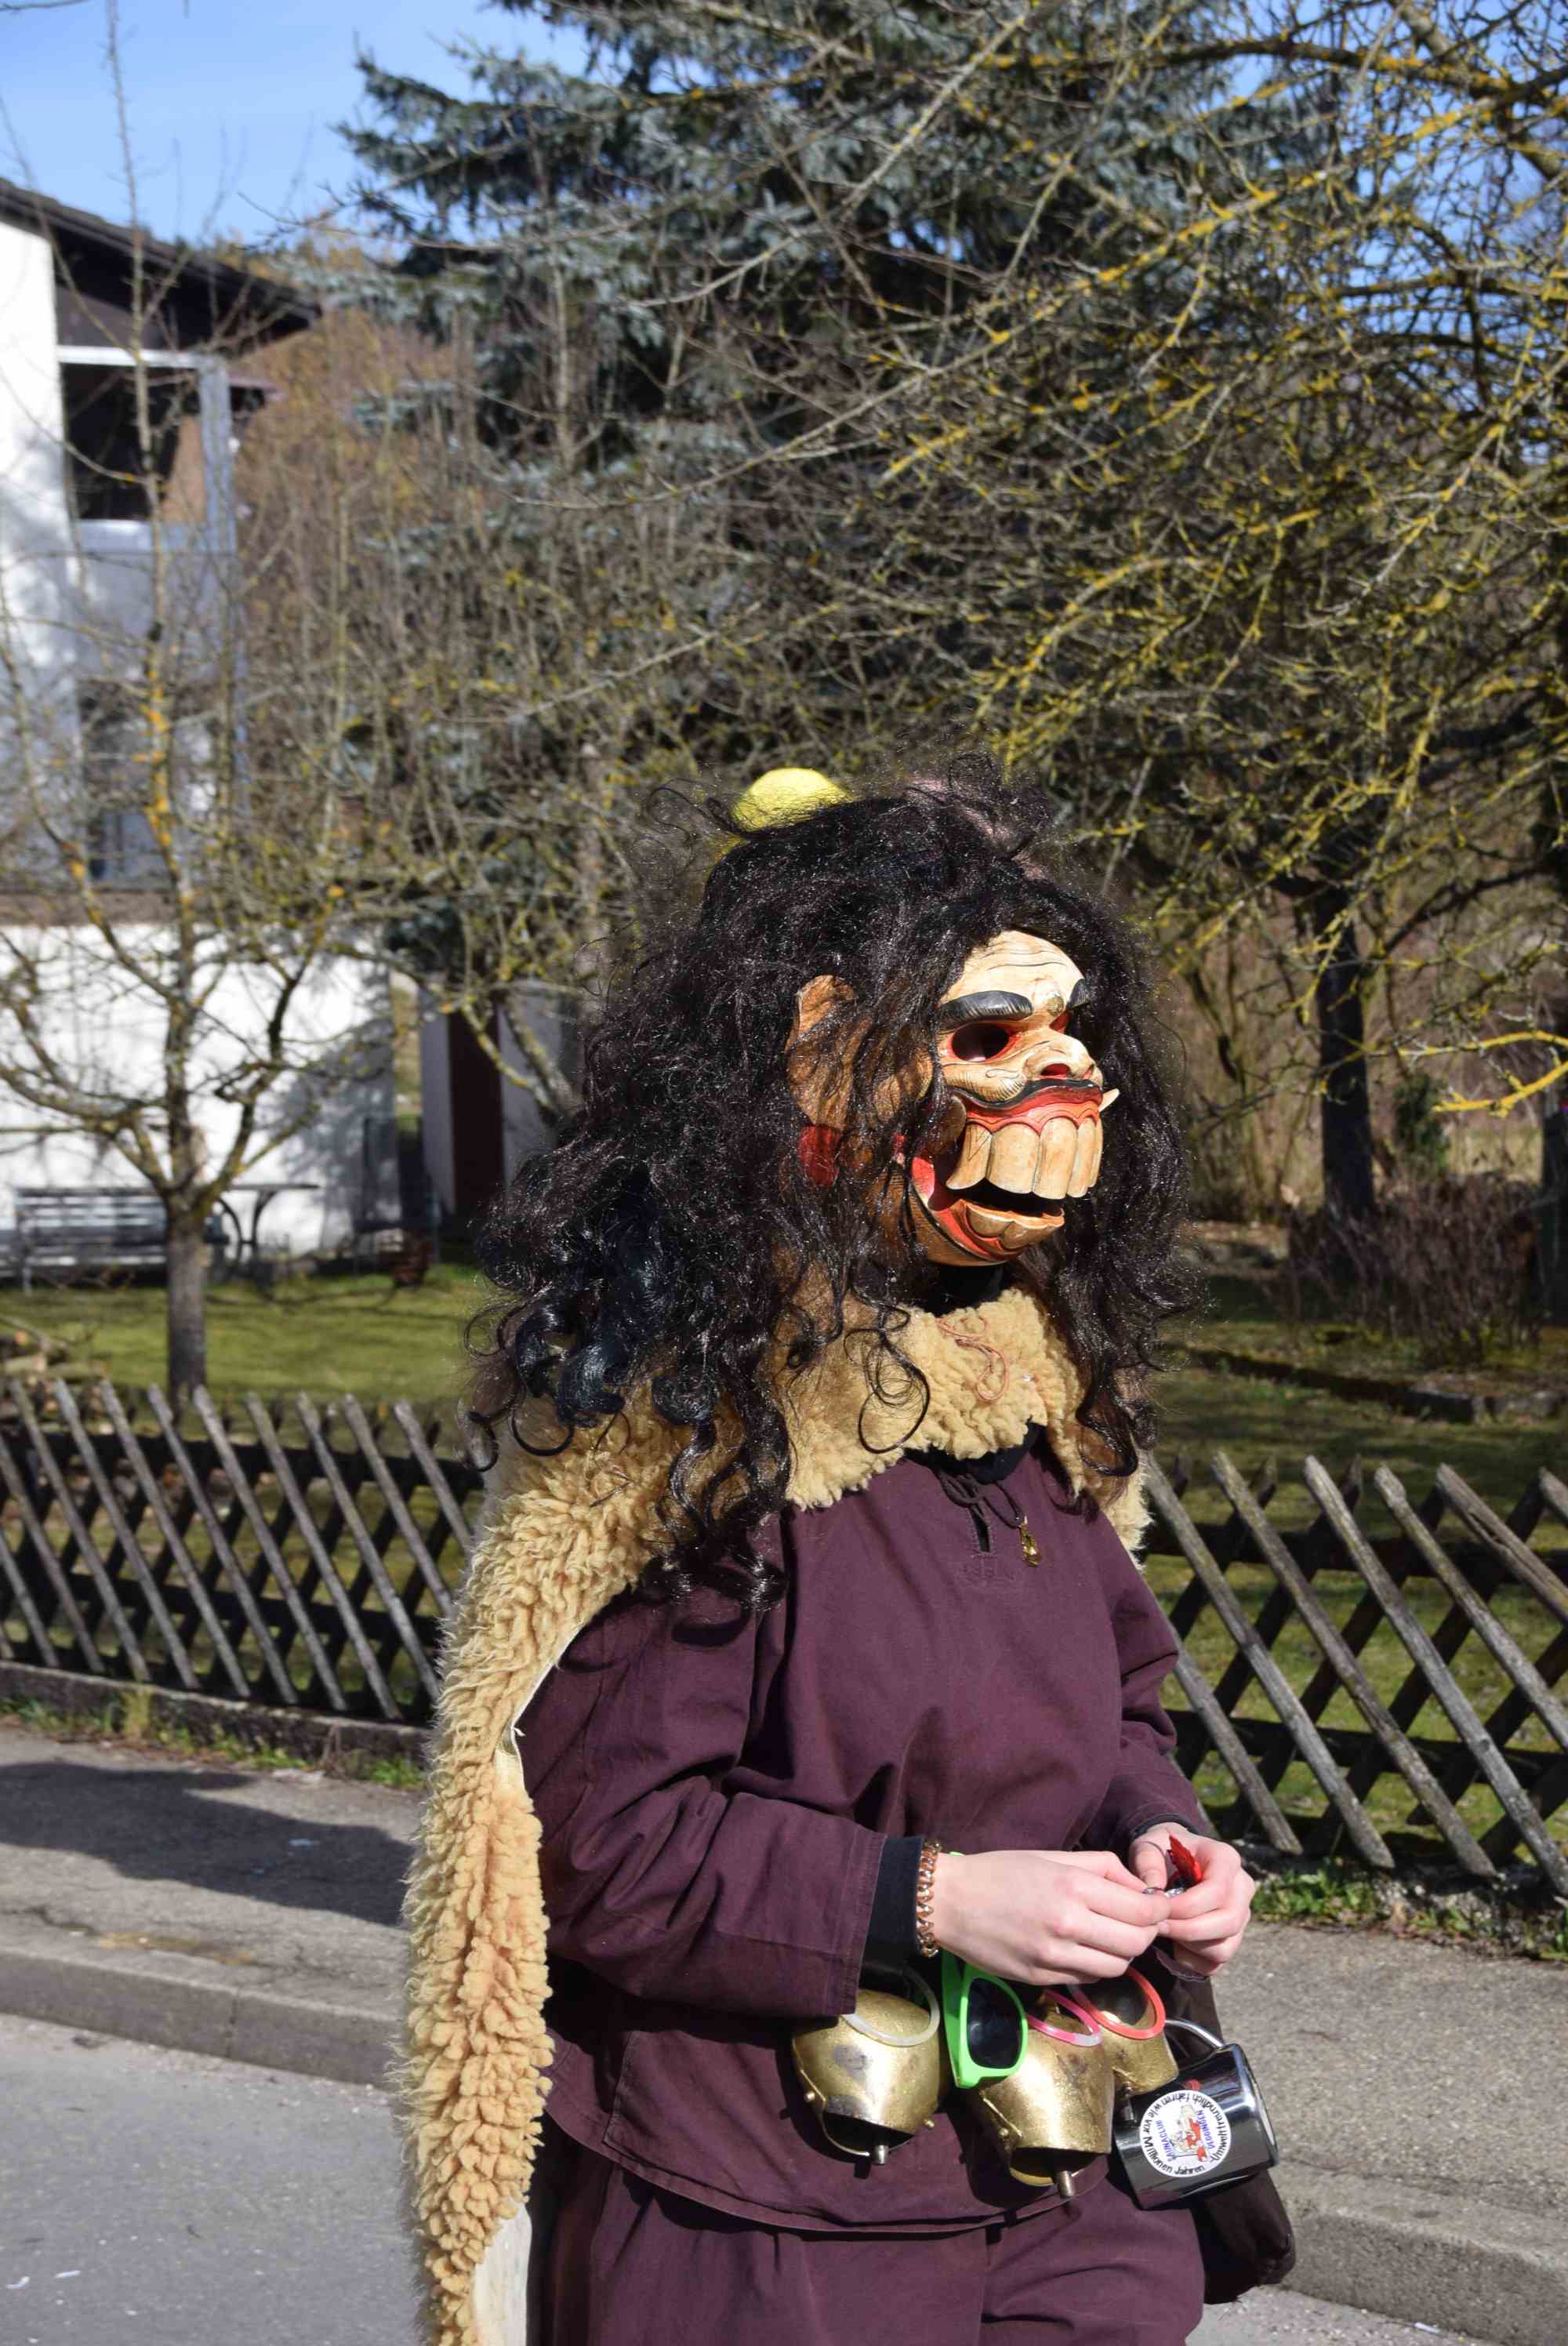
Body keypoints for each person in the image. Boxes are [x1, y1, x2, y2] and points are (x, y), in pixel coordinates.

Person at [400, 750, 1292, 2345]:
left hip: (1065, 2180)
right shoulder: (687, 1423)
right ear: (809, 1065)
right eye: (983, 1034)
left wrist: (1164, 1842)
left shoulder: (1030, 1383)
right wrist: (928, 1900)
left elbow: (1119, 1711)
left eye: (1071, 1028)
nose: (1056, 1076)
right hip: (762, 2214)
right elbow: (600, 1846)